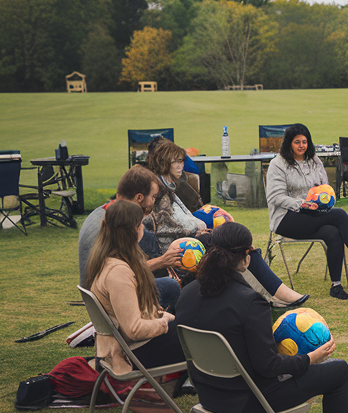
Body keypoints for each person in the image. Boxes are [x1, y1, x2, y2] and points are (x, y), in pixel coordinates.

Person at [174, 222, 348, 413]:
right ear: (245, 255)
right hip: (251, 402)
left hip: (209, 397)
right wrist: (310, 359)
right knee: (339, 371)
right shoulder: (250, 302)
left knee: (255, 368)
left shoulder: (186, 293)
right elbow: (268, 367)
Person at [144, 139, 309, 309]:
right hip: (181, 254)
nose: (181, 165)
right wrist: (201, 228)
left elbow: (179, 222)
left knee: (240, 246)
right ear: (164, 163)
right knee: (237, 245)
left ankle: (272, 295)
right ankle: (277, 294)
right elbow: (167, 230)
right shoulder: (160, 193)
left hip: (189, 244)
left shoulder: (169, 187)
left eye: (181, 160)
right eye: (176, 161)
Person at [265, 123, 348, 300]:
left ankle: (336, 286)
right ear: (288, 144)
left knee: (332, 232)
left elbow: (324, 188)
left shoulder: (314, 161)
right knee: (339, 214)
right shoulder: (278, 164)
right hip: (286, 219)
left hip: (312, 215)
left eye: (304, 142)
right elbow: (276, 197)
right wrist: (303, 204)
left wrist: (323, 199)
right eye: (297, 142)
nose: (301, 146)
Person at [86, 199, 185, 376]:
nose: (143, 229)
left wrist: (160, 316)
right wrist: (162, 323)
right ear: (134, 230)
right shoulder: (118, 272)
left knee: (188, 323)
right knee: (198, 335)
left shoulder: (106, 258)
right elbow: (134, 329)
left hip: (132, 345)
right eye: (141, 224)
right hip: (136, 351)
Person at [79, 166, 183, 311]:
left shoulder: (110, 212)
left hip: (107, 286)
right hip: (107, 297)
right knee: (171, 286)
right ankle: (163, 325)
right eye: (153, 197)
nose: (153, 202)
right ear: (139, 197)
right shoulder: (111, 225)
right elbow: (115, 275)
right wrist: (161, 261)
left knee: (148, 237)